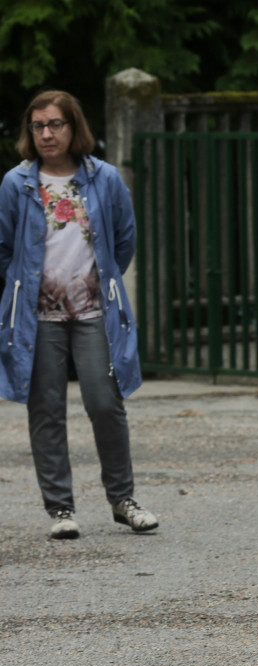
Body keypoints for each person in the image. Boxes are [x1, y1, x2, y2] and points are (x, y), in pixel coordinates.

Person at [0, 90, 157, 540]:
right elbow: (4, 248)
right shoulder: (17, 183)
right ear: (30, 132)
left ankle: (123, 500)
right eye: (38, 126)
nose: (47, 134)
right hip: (36, 318)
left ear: (74, 127)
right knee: (45, 410)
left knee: (105, 403)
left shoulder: (103, 179)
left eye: (56, 124)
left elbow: (123, 240)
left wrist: (97, 283)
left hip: (93, 312)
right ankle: (60, 509)